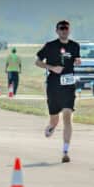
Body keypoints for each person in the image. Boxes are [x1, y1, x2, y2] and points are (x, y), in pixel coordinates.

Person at [35, 20, 81, 163]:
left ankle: (65, 151)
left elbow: (76, 58)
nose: (64, 31)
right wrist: (51, 67)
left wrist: (78, 61)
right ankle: (51, 126)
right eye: (61, 29)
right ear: (57, 31)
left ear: (69, 30)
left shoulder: (74, 45)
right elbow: (37, 61)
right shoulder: (50, 46)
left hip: (68, 85)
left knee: (67, 116)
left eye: (66, 28)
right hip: (54, 86)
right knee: (55, 119)